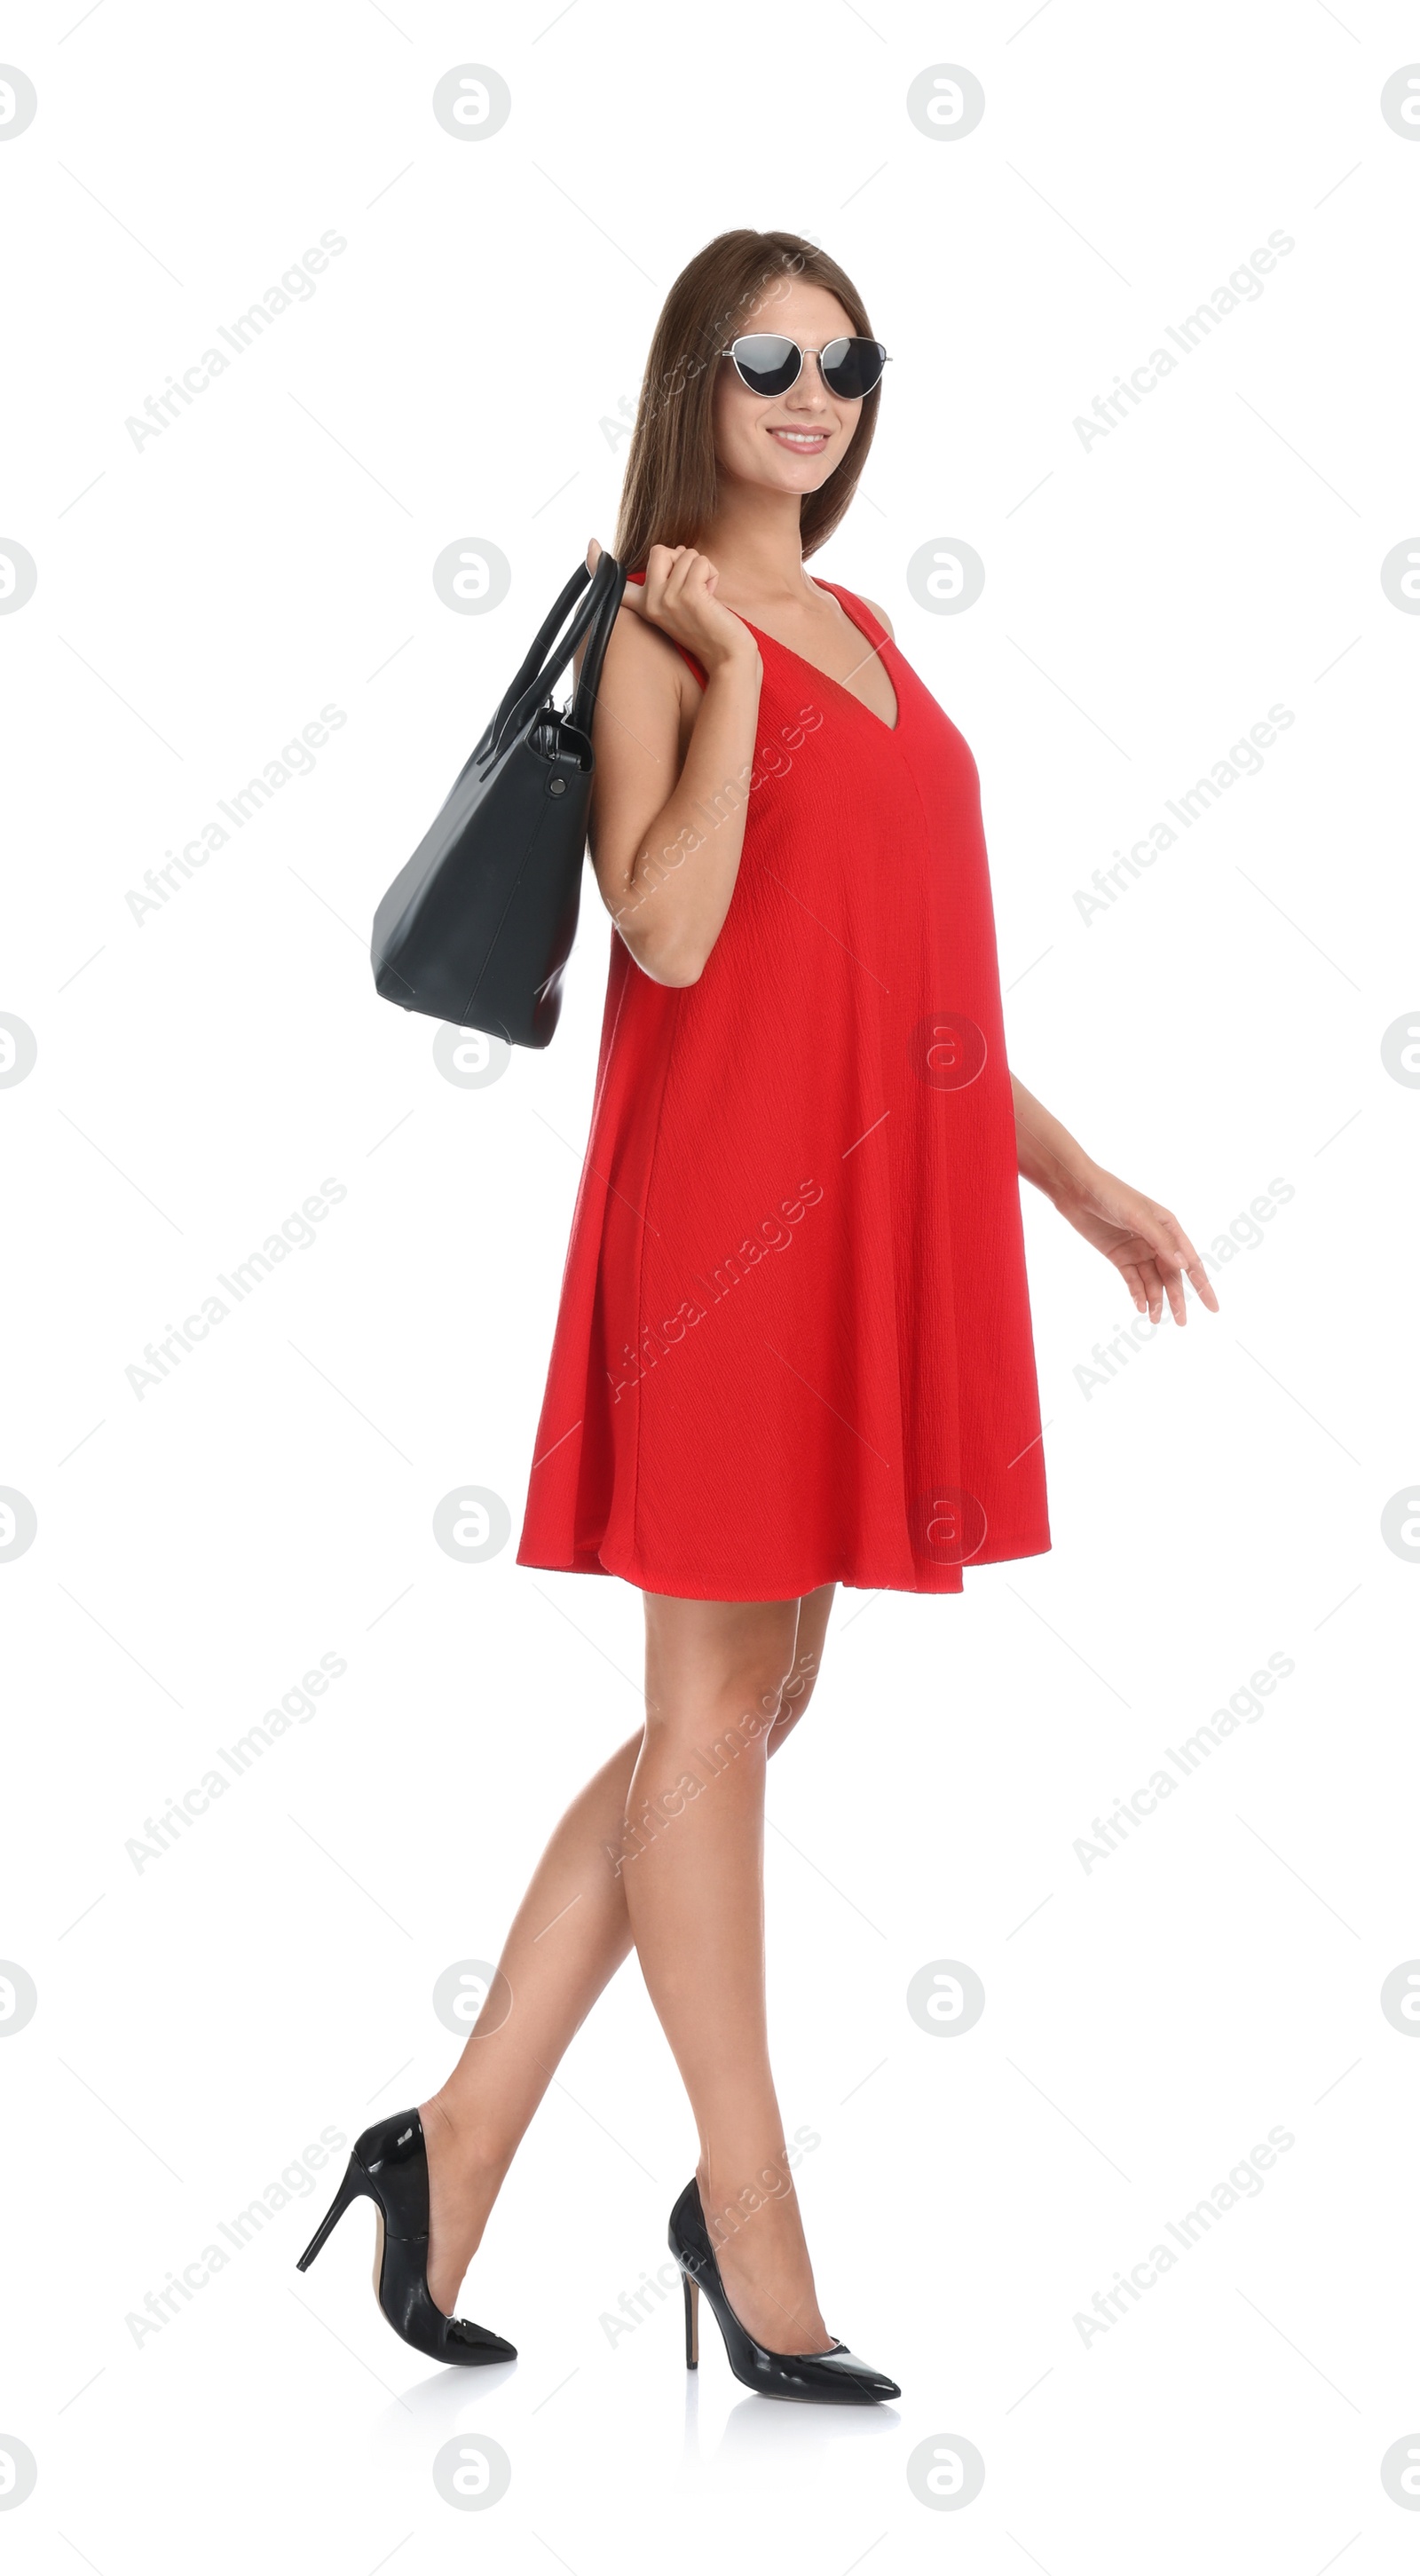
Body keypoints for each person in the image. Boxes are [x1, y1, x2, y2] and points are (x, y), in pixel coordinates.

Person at [300, 228, 1218, 2403]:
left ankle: (450, 2141)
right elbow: (681, 930)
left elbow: (903, 1004)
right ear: (693, 382)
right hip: (717, 1236)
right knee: (713, 1720)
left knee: (739, 1714)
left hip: (862, 1221)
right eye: (767, 358)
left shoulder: (872, 628)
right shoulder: (653, 614)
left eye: (845, 360)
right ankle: (750, 2214)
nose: (812, 392)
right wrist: (713, 685)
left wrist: (1080, 1185)